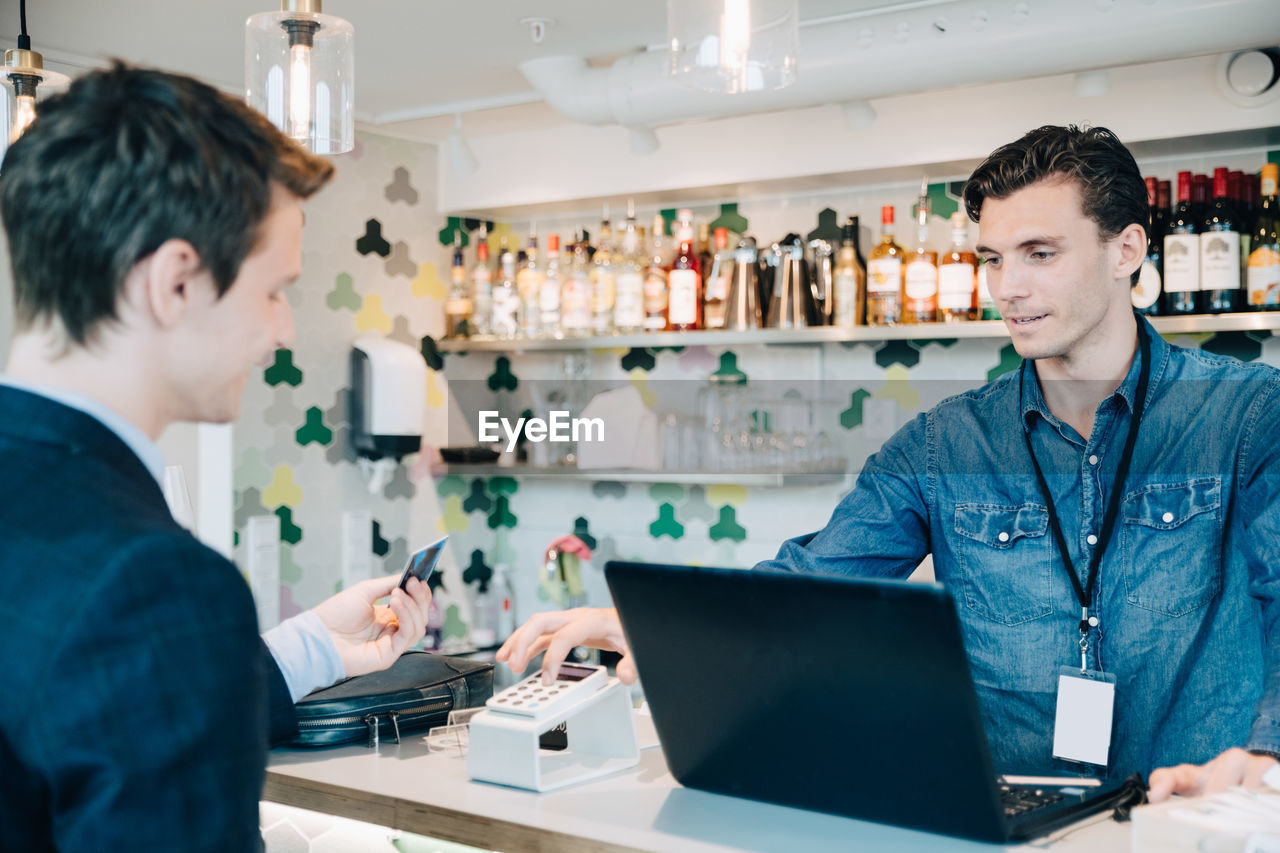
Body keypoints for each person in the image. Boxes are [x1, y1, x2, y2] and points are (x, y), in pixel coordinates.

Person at [499, 125, 1280, 804]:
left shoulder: (1248, 417)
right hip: (1006, 823)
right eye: (993, 258)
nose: (1008, 288)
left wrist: (1270, 757)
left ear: (1128, 251)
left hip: (1190, 817)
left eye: (1040, 254)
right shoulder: (943, 444)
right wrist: (647, 621)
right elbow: (817, 582)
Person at [0, 63, 433, 851]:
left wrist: (310, 649)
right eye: (274, 289)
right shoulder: (153, 586)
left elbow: (77, 701)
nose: (286, 329)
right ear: (175, 283)